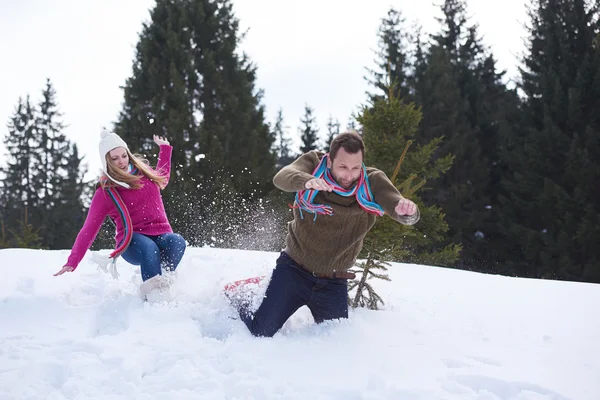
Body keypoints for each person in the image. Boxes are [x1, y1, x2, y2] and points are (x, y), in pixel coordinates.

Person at [227, 130, 420, 337]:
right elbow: (281, 178)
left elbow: (394, 202)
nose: (349, 175)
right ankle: (242, 295)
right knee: (261, 331)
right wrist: (306, 181)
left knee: (336, 340)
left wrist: (405, 211)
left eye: (356, 168)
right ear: (329, 161)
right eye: (343, 166)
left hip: (333, 282)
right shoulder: (313, 163)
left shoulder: (371, 181)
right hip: (293, 271)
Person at [53, 129, 187, 297]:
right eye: (114, 158)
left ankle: (164, 285)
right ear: (106, 161)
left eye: (124, 155)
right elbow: (89, 229)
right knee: (149, 247)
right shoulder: (106, 191)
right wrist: (73, 260)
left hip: (161, 234)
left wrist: (165, 149)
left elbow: (163, 177)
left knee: (177, 241)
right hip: (133, 242)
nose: (121, 162)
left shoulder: (144, 173)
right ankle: (152, 297)